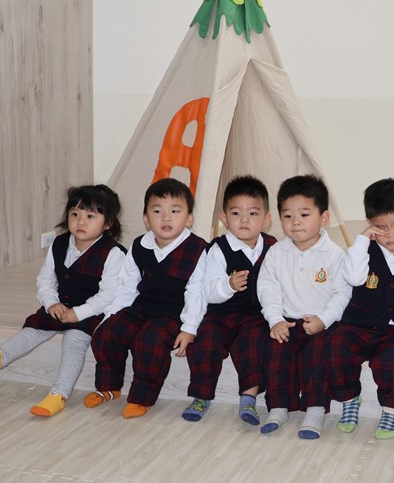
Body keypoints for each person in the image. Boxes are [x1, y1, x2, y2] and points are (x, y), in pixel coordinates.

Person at [0, 185, 125, 417]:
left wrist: (78, 313)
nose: (80, 221)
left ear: (108, 224)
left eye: (90, 216)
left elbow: (109, 295)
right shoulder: (60, 243)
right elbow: (45, 279)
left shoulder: (114, 253)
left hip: (93, 312)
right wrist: (50, 302)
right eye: (75, 214)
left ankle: (59, 394)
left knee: (74, 341)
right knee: (34, 329)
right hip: (60, 305)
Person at [86, 178, 209, 418]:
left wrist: (189, 328)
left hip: (174, 314)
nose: (166, 218)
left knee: (149, 341)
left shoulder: (198, 249)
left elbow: (197, 293)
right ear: (146, 218)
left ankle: (142, 398)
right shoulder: (139, 245)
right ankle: (109, 386)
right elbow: (127, 286)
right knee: (107, 334)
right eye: (157, 211)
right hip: (141, 308)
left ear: (189, 218)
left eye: (175, 211)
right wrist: (111, 316)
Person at [325, 178, 394, 440]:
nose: (390, 233)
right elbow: (353, 278)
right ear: (370, 225)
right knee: (336, 346)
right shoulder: (363, 253)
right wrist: (362, 241)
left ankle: (391, 410)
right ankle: (350, 399)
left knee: (393, 360)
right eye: (381, 227)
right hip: (359, 324)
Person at [258, 174, 351, 438]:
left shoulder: (334, 255)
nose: (295, 221)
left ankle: (315, 409)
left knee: (317, 358)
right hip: (286, 320)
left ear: (324, 218)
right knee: (276, 356)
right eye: (288, 216)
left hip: (322, 323)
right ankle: (278, 407)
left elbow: (342, 293)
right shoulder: (276, 252)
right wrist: (275, 319)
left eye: (304, 214)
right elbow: (267, 288)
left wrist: (324, 320)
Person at [181, 175, 276, 424]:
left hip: (254, 314)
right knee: (205, 342)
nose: (244, 220)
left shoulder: (273, 248)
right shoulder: (218, 249)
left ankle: (248, 398)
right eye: (236, 213)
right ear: (224, 218)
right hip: (220, 314)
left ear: (266, 220)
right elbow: (207, 289)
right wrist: (227, 285)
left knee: (253, 343)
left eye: (253, 214)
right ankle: (201, 396)